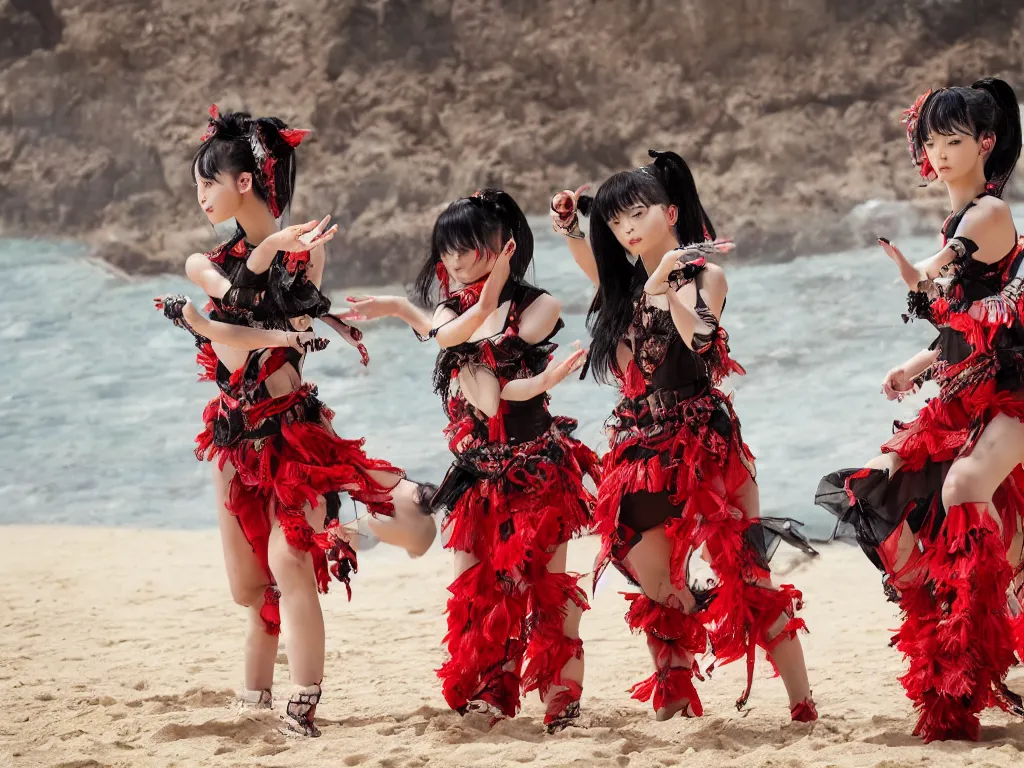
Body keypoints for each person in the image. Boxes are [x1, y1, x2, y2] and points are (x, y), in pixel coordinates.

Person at [155, 107, 436, 737]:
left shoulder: (303, 257)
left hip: (291, 435)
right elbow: (234, 318)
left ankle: (303, 702)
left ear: (245, 182)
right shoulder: (203, 262)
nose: (200, 196)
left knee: (290, 564)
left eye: (207, 183)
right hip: (231, 441)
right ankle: (254, 699)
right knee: (249, 594)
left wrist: (274, 275)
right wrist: (257, 284)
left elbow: (277, 327)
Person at [550, 150, 815, 722]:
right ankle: (674, 700)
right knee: (655, 585)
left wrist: (669, 276)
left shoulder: (705, 276)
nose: (627, 230)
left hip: (706, 445)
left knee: (748, 576)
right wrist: (574, 226)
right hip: (641, 450)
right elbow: (590, 262)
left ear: (670, 212)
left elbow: (699, 339)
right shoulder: (622, 286)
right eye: (617, 223)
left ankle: (802, 704)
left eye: (637, 215)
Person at [340, 189, 601, 731]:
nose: (454, 262)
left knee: (547, 590)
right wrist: (419, 315)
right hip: (477, 475)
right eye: (447, 250)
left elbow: (496, 383)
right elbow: (472, 367)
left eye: (468, 249)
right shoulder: (450, 307)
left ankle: (562, 704)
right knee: (477, 589)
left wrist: (461, 324)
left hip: (537, 468)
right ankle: (487, 695)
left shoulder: (540, 304)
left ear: (503, 248)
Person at [815, 78, 1024, 742]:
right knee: (876, 490)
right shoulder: (955, 216)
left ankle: (983, 623)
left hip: (1014, 395)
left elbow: (948, 269)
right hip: (963, 395)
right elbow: (969, 325)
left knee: (964, 488)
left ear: (986, 144)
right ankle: (957, 611)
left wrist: (924, 271)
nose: (937, 152)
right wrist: (918, 365)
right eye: (930, 140)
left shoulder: (988, 214)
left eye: (953, 140)